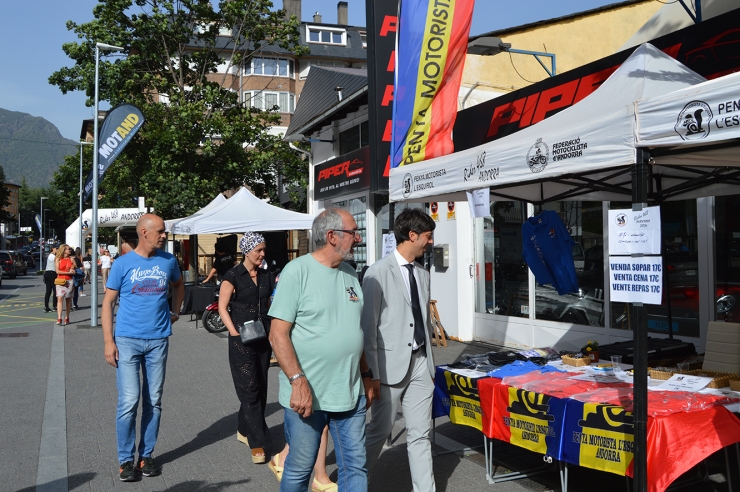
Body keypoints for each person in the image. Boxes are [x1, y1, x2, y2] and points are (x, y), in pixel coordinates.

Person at [268, 208, 373, 492]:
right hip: (307, 395)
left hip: (350, 394)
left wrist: (366, 374)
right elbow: (277, 335)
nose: (358, 238)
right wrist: (296, 380)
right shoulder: (297, 271)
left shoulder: (351, 274)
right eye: (353, 232)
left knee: (355, 467)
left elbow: (354, 330)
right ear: (332, 237)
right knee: (300, 468)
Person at [101, 214, 185, 482]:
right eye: (160, 231)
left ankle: (146, 455)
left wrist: (175, 310)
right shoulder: (122, 264)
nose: (164, 235)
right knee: (129, 401)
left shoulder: (168, 261)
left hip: (158, 340)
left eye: (164, 232)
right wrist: (108, 342)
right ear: (143, 233)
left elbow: (179, 284)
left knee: (154, 401)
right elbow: (108, 303)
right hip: (127, 340)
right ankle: (125, 460)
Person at [362, 208, 437, 492]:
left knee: (421, 434)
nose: (430, 242)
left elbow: (423, 320)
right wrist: (372, 374)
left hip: (420, 363)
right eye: (427, 237)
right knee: (380, 431)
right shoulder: (377, 273)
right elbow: (368, 329)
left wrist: (429, 366)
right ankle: (354, 479)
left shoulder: (423, 273)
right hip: (388, 368)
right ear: (412, 235)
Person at [218, 232, 275, 464]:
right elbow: (223, 308)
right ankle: (257, 442)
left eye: (263, 250)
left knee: (260, 387)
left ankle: (243, 429)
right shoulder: (232, 275)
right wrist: (234, 333)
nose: (262, 254)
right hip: (241, 341)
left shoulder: (266, 275)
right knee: (249, 389)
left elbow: (274, 300)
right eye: (258, 250)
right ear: (246, 251)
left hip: (263, 339)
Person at [55, 244, 76, 325]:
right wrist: (68, 272)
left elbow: (75, 268)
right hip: (60, 281)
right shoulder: (58, 259)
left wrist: (73, 270)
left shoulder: (71, 259)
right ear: (63, 250)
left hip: (69, 281)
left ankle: (67, 317)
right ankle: (59, 318)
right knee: (59, 298)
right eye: (68, 249)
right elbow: (57, 271)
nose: (69, 250)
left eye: (70, 249)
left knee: (68, 299)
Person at [43, 245, 58, 312]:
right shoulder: (53, 256)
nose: (57, 250)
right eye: (56, 248)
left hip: (48, 273)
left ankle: (46, 307)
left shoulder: (51, 256)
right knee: (55, 290)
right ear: (53, 249)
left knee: (48, 291)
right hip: (52, 273)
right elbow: (57, 263)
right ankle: (54, 306)